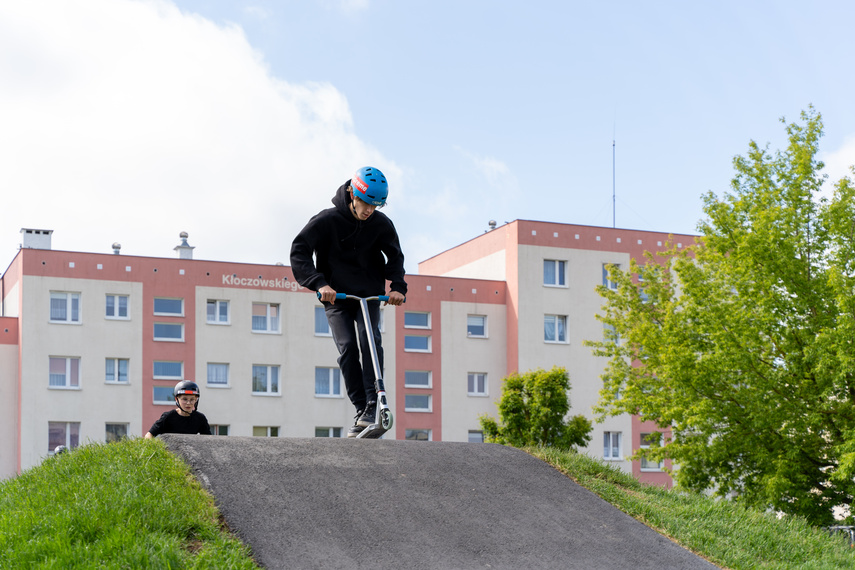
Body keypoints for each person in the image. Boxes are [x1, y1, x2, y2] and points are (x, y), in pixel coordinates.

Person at [290, 166, 407, 437]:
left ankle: (373, 401)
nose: (369, 210)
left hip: (368, 295)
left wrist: (398, 287)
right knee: (347, 347)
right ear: (353, 193)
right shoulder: (326, 220)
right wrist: (320, 283)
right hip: (337, 296)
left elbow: (395, 256)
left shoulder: (381, 224)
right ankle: (361, 406)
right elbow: (300, 251)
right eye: (366, 203)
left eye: (375, 206)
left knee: (370, 339)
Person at [145, 380, 212, 438]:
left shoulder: (200, 418)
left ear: (196, 400)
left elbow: (209, 440)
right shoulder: (168, 417)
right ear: (177, 399)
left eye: (192, 399)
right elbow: (149, 435)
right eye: (184, 399)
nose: (188, 403)